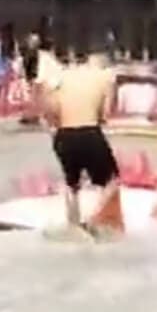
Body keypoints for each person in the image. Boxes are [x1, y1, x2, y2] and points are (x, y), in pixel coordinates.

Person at [43, 48, 120, 236]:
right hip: (89, 132)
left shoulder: (58, 78)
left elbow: (50, 111)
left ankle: (74, 225)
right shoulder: (102, 76)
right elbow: (106, 112)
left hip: (63, 135)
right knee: (110, 180)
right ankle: (97, 220)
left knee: (72, 183)